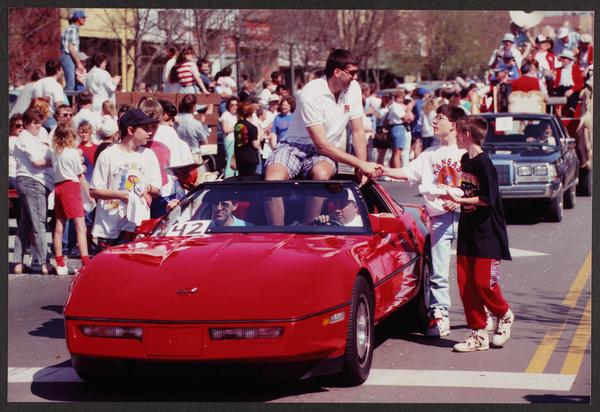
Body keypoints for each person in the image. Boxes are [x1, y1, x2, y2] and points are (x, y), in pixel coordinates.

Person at [380, 104, 479, 337]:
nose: (434, 122)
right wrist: (379, 169)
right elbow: (406, 172)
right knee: (438, 272)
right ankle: (440, 316)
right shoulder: (430, 154)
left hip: (467, 217)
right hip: (440, 218)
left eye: (440, 118)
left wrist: (461, 201)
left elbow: (480, 185)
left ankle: (480, 314)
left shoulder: (466, 152)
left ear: (453, 125)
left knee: (474, 270)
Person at [264, 49, 380, 225]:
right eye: (352, 73)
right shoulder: (311, 92)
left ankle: (310, 228)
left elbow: (358, 131)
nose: (355, 77)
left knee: (321, 173)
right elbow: (321, 145)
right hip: (295, 145)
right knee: (273, 180)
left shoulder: (354, 89)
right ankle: (277, 234)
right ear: (337, 72)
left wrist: (362, 167)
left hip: (327, 150)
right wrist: (359, 163)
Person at [439, 116, 514, 352]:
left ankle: (505, 315)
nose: (455, 136)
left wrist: (460, 200)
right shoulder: (465, 160)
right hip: (468, 230)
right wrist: (454, 196)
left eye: (458, 132)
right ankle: (478, 334)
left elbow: (487, 198)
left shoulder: (484, 163)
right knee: (465, 284)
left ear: (467, 135)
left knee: (484, 283)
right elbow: (468, 189)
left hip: (487, 233)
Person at [90, 109, 162, 248]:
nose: (150, 132)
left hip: (137, 226)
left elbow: (157, 189)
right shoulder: (108, 155)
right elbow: (94, 191)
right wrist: (123, 195)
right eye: (145, 128)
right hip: (109, 226)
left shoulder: (149, 155)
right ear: (131, 130)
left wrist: (147, 188)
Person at [13, 109, 54, 275]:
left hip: (29, 181)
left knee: (26, 223)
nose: (39, 126)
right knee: (39, 224)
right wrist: (55, 161)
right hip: (33, 182)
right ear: (27, 124)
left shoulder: (31, 138)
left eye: (40, 122)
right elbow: (37, 162)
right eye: (35, 123)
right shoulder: (26, 138)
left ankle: (18, 262)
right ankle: (44, 263)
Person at [51, 123, 90, 275]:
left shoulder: (55, 152)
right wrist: (89, 196)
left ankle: (60, 263)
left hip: (58, 187)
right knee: (81, 226)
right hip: (71, 187)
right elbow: (80, 176)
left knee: (59, 226)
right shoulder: (72, 153)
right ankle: (86, 263)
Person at [31, 58, 66, 130]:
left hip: (36, 119)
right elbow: (59, 106)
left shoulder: (37, 83)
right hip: (50, 119)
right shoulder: (56, 86)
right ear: (58, 70)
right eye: (62, 69)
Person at [175, 94, 209, 160]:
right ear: (194, 107)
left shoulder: (174, 120)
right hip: (193, 156)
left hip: (178, 155)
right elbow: (204, 143)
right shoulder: (196, 124)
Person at [60, 9, 87, 91]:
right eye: (83, 17)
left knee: (73, 85)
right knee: (70, 86)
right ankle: (65, 99)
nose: (85, 19)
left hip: (69, 57)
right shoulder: (73, 30)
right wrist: (79, 63)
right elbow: (71, 48)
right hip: (68, 57)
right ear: (78, 19)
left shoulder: (73, 29)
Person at [553, 49, 583, 117]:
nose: (563, 60)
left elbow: (580, 83)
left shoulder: (575, 68)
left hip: (572, 88)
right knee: (557, 94)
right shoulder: (558, 70)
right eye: (562, 58)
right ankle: (558, 110)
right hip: (560, 88)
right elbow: (555, 84)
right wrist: (553, 79)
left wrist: (572, 90)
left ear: (570, 60)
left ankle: (571, 109)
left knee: (575, 94)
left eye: (565, 58)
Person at [233, 101, 260, 176]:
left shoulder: (237, 125)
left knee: (241, 177)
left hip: (239, 157)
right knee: (249, 178)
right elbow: (255, 145)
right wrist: (259, 136)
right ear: (251, 113)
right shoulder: (252, 127)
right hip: (250, 158)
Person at [388, 89, 413, 168]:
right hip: (398, 127)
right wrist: (409, 109)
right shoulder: (395, 106)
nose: (403, 100)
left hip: (396, 127)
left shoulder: (394, 106)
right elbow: (406, 118)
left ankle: (393, 170)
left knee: (395, 152)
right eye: (402, 98)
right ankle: (397, 171)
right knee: (397, 153)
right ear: (398, 97)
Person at [9, 114, 24, 189]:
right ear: (12, 127)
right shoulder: (12, 140)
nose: (21, 128)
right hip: (13, 176)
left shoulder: (19, 140)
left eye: (23, 125)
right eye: (18, 126)